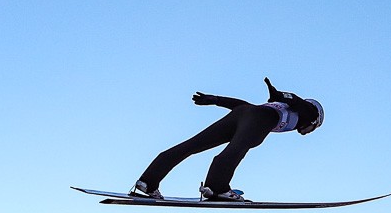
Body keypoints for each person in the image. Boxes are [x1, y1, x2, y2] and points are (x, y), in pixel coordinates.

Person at [132, 77, 324, 202]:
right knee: (235, 150)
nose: (307, 132)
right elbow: (295, 100)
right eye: (313, 129)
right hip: (258, 119)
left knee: (192, 145)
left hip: (243, 113)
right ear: (315, 121)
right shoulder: (309, 112)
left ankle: (148, 182)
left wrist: (216, 99)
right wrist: (280, 94)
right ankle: (217, 188)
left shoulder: (286, 109)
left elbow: (245, 105)